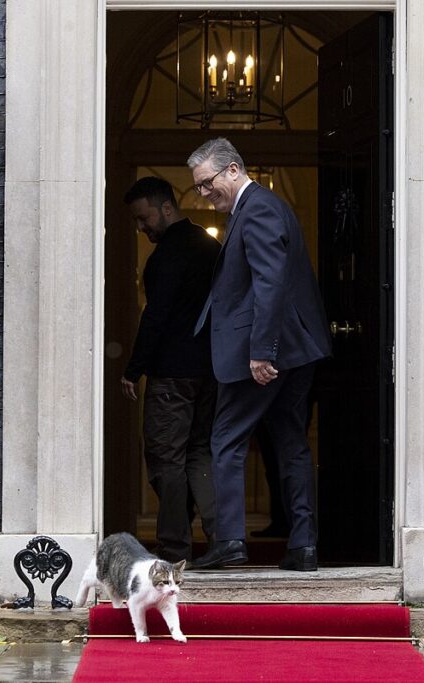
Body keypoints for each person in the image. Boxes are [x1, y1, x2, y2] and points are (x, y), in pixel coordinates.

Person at [185, 138, 332, 572]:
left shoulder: (260, 208)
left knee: (225, 440)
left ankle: (230, 540)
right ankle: (303, 546)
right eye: (197, 188)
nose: (204, 193)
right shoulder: (256, 208)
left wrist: (261, 352)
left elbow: (271, 283)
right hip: (293, 350)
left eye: (207, 183)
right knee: (290, 442)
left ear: (233, 170)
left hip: (268, 352)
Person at [121, 176, 221, 563]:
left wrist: (134, 368)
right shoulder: (212, 247)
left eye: (144, 218)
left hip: (172, 374)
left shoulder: (165, 257)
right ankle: (222, 539)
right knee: (200, 453)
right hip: (210, 370)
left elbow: (156, 315)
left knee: (166, 460)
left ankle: (175, 547)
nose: (141, 227)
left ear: (166, 208)